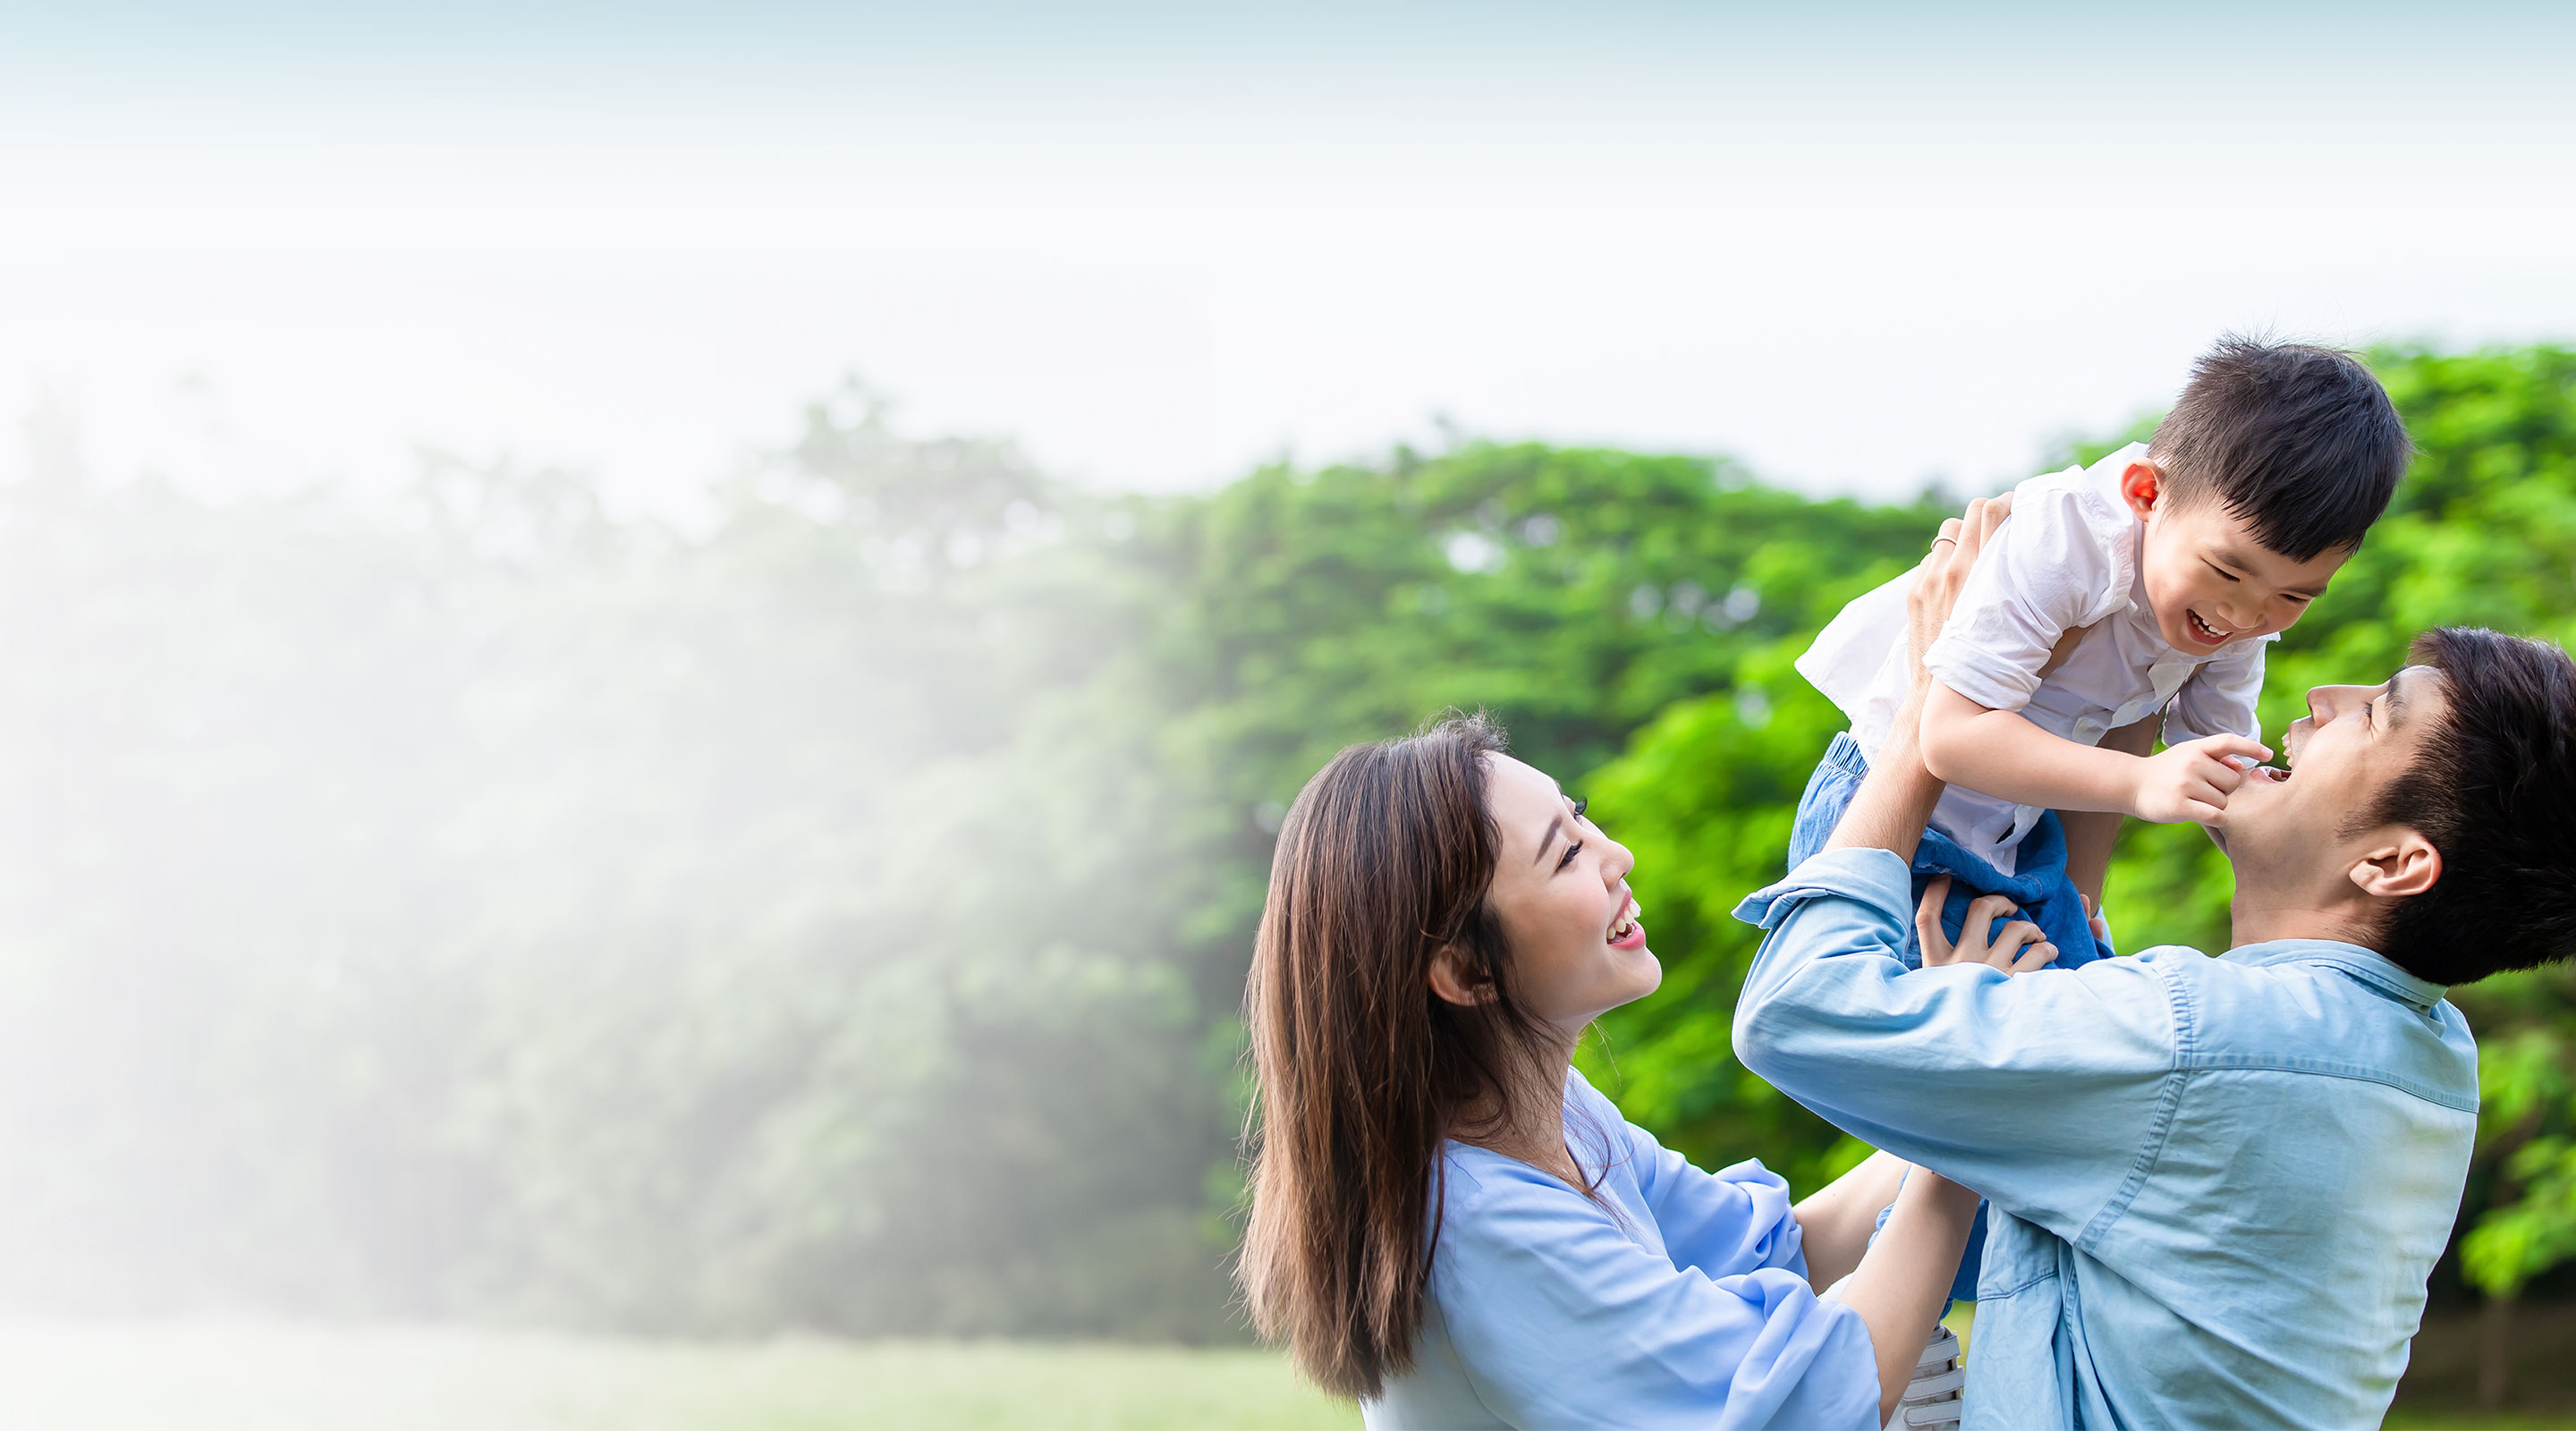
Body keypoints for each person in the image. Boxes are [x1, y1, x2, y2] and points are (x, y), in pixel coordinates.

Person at [1733, 496, 2576, 1428]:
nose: (2320, 699)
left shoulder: (2209, 1038)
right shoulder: (2420, 1055)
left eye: (2375, 714)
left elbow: (1796, 1014)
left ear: (2391, 862)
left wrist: (1932, 709)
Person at [1236, 711, 2004, 1429]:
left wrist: (1951, 1060)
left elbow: (1775, 1246)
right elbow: (1804, 1403)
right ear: (1466, 970)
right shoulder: (1480, 1230)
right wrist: (1965, 1102)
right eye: (1566, 853)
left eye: (1580, 817)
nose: (1615, 855)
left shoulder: (1546, 1110)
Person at [1792, 337, 2411, 972]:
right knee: (1910, 1016)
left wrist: (2331, 846)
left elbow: (2224, 759)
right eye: (2227, 572)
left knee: (2073, 992)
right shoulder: (2065, 539)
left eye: (2292, 595)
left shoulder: (2230, 609)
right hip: (1897, 819)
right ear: (2146, 494)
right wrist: (2141, 782)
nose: (2244, 617)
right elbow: (1949, 735)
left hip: (2022, 836)